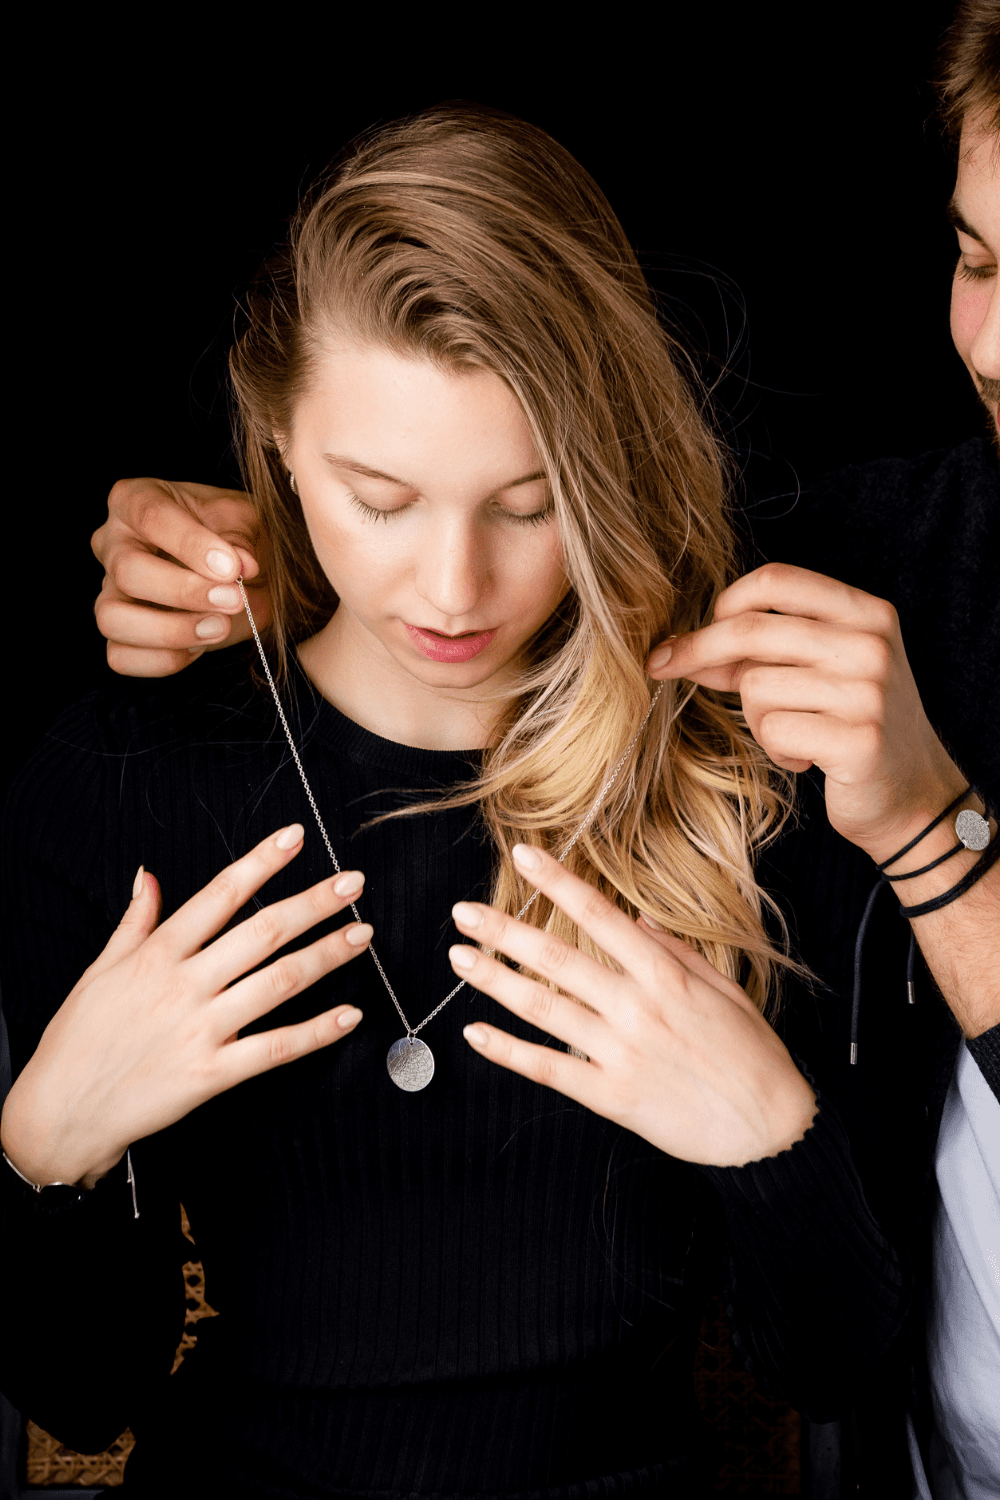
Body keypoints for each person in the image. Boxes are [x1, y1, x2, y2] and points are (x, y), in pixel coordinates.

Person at [1, 75, 997, 1500]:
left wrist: (769, 1131)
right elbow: (82, 1390)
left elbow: (829, 1373)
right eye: (380, 500)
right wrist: (52, 1151)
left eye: (530, 506)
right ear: (277, 440)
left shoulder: (732, 776)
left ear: (601, 469)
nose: (454, 588)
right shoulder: (116, 782)